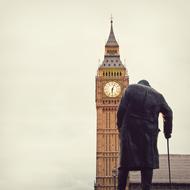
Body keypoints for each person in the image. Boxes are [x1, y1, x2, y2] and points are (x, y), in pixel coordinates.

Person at [117, 80, 173, 190]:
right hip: (149, 137)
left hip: (129, 134)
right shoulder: (158, 96)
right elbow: (169, 113)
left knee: (124, 167)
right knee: (147, 168)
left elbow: (121, 110)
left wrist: (120, 127)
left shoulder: (130, 89)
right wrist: (167, 132)